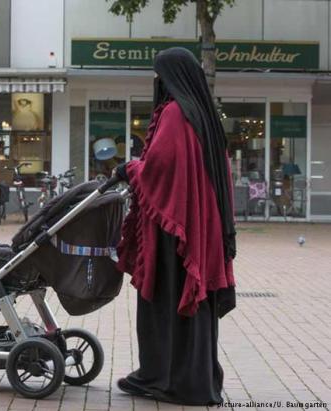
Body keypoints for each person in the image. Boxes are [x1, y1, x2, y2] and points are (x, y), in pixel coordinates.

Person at [112, 47, 237, 405]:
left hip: (173, 233)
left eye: (158, 75)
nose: (156, 82)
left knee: (166, 302)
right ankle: (194, 378)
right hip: (201, 230)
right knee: (194, 307)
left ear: (169, 79)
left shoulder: (174, 113)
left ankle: (167, 379)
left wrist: (129, 169)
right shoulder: (205, 117)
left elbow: (158, 168)